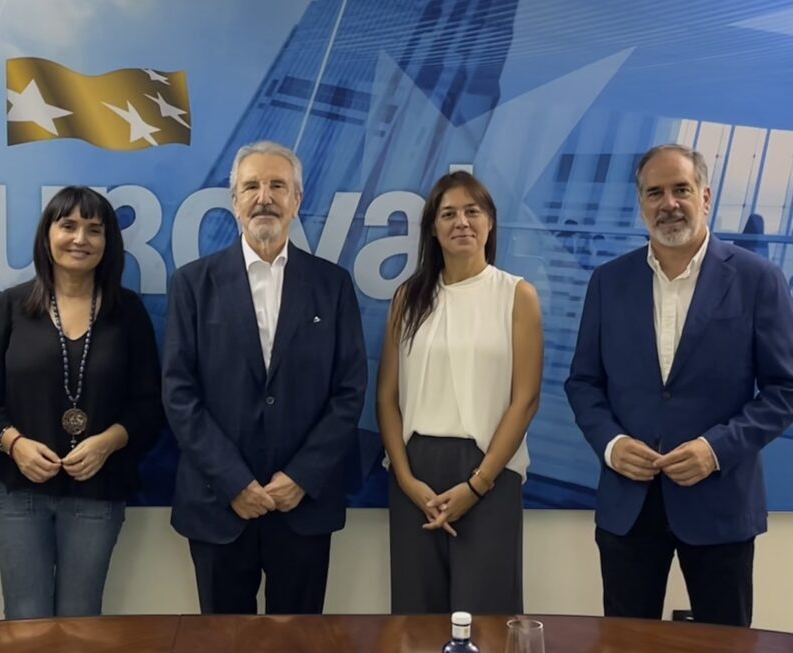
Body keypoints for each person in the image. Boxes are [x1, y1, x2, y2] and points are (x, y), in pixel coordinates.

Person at [565, 144, 793, 627]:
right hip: (629, 503)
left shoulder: (759, 279)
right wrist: (611, 444)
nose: (668, 203)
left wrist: (715, 450)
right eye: (655, 193)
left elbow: (783, 391)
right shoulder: (608, 282)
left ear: (705, 197)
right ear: (641, 203)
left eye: (681, 190)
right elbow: (584, 383)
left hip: (720, 502)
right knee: (626, 652)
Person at [163, 140, 366, 614]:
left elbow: (349, 392)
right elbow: (178, 393)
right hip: (219, 504)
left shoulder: (332, 285)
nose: (264, 196)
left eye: (278, 185)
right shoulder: (193, 284)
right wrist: (235, 480)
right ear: (234, 201)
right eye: (251, 186)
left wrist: (300, 477)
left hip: (303, 508)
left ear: (297, 200)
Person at [0, 186, 162, 619]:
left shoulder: (128, 313)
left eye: (94, 230)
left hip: (98, 490)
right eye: (68, 225)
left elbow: (150, 405)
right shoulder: (13, 306)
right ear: (47, 235)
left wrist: (108, 442)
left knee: (81, 620)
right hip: (20, 491)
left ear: (108, 243)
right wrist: (14, 444)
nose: (80, 239)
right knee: (26, 619)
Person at [377, 171, 543, 614]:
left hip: (491, 470)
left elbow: (525, 400)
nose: (461, 222)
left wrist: (478, 483)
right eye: (448, 213)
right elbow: (387, 397)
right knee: (416, 618)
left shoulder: (517, 296)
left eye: (473, 211)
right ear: (433, 227)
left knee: (487, 618)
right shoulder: (408, 298)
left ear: (490, 223)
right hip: (417, 474)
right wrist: (406, 478)